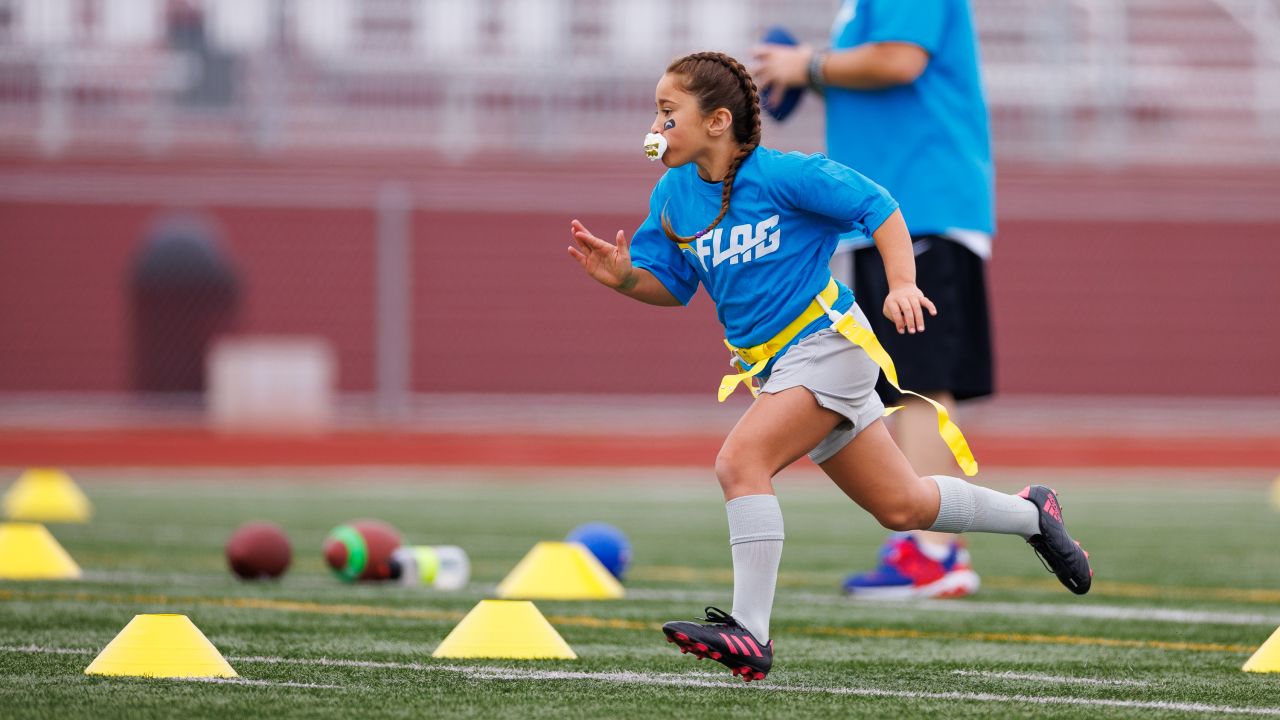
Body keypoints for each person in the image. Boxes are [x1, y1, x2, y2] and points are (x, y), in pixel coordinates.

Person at [567, 51, 1090, 683]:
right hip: (779, 367)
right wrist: (623, 278)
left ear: (718, 121)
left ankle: (750, 635)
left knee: (741, 462)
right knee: (904, 505)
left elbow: (882, 207)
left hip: (828, 347)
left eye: (668, 112)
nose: (655, 127)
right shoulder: (673, 193)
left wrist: (900, 283)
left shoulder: (786, 175)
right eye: (657, 113)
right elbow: (672, 285)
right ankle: (1034, 514)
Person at [752, 0, 997, 599]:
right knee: (906, 383)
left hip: (921, 206)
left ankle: (933, 551)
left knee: (918, 382)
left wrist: (806, 65)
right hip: (901, 209)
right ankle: (932, 547)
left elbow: (898, 60)